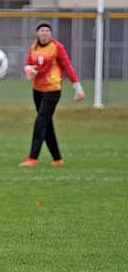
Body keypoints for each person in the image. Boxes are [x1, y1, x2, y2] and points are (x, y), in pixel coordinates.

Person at [19, 22, 86, 167]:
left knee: (41, 121)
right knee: (47, 124)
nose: (44, 33)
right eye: (42, 30)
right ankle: (57, 159)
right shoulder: (33, 48)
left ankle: (33, 158)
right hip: (37, 90)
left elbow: (67, 66)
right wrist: (29, 70)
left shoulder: (57, 47)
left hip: (52, 90)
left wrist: (77, 86)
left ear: (50, 34)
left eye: (47, 30)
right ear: (37, 34)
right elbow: (28, 65)